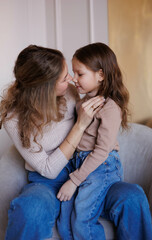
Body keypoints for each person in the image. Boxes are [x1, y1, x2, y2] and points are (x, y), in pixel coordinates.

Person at [0, 45, 105, 240]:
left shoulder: (70, 93)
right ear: (45, 88)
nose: (71, 80)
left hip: (86, 171)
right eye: (65, 78)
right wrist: (79, 126)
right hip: (47, 182)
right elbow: (48, 169)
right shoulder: (13, 119)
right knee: (30, 209)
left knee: (131, 197)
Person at [56, 42, 152, 240]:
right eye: (73, 73)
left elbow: (101, 151)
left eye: (80, 74)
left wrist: (74, 180)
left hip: (102, 165)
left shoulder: (109, 108)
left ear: (100, 75)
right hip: (80, 163)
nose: (74, 79)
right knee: (65, 220)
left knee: (82, 219)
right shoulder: (81, 103)